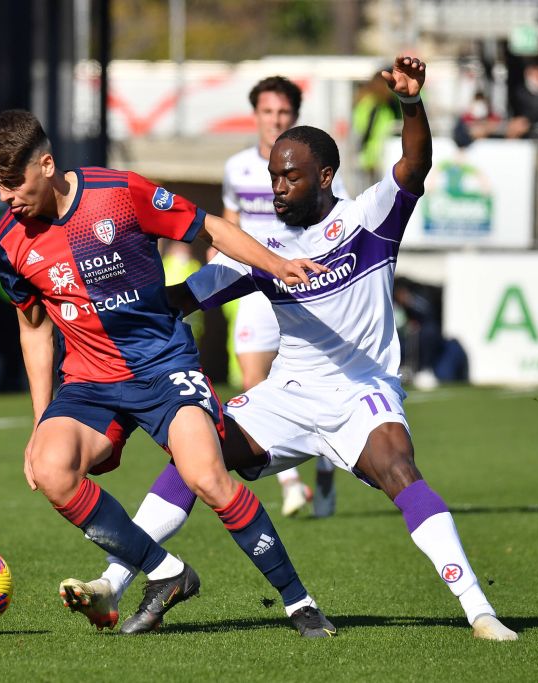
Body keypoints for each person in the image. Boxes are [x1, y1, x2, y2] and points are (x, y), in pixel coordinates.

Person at [70, 56, 519, 642]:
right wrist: (109, 300)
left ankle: (479, 611)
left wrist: (411, 103)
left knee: (398, 469)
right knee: (194, 455)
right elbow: (187, 297)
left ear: (326, 176)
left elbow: (416, 163)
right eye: (273, 178)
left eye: (290, 178)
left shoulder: (371, 220)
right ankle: (115, 581)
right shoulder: (265, 248)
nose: (277, 188)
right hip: (288, 394)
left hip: (362, 390)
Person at [0, 109, 338, 637]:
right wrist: (40, 423)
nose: (7, 197)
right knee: (52, 469)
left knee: (207, 477)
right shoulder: (8, 240)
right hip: (90, 382)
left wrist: (275, 265)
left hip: (164, 364)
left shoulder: (118, 192)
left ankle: (298, 602)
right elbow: (33, 329)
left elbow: (210, 226)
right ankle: (168, 573)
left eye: (14, 183)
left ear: (47, 164)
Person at [222, 75, 344, 518]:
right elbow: (229, 224)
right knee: (253, 380)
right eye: (268, 112)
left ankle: (328, 464)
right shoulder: (236, 168)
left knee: (317, 384)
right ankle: (292, 484)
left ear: (295, 116)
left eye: (284, 113)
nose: (275, 120)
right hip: (256, 283)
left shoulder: (314, 168)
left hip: (302, 284)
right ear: (255, 115)